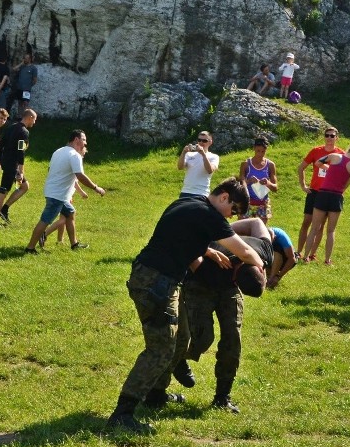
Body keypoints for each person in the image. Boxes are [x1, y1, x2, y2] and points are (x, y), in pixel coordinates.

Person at [106, 178, 264, 433]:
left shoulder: (187, 203)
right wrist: (261, 267)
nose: (231, 216)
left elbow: (178, 237)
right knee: (160, 348)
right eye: (232, 209)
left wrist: (209, 251)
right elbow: (245, 251)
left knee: (181, 340)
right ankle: (123, 414)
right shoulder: (209, 215)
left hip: (156, 279)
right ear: (223, 197)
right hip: (156, 283)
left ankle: (156, 396)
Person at [175, 218, 271, 414]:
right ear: (235, 275)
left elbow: (256, 222)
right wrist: (214, 236)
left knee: (232, 338)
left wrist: (228, 232)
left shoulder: (264, 251)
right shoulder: (209, 266)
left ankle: (222, 397)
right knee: (203, 338)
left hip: (229, 289)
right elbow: (189, 250)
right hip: (200, 284)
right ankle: (178, 360)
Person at [24, 129, 105, 253]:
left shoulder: (59, 151)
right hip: (58, 195)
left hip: (55, 192)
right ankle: (30, 248)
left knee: (70, 213)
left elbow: (50, 169)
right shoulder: (74, 155)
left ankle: (74, 244)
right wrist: (95, 187)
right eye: (84, 140)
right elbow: (80, 176)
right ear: (76, 139)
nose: (85, 143)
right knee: (45, 220)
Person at [303, 142, 350, 265]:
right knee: (331, 231)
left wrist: (329, 169)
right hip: (336, 196)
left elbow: (318, 163)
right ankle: (327, 260)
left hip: (323, 194)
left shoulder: (334, 156)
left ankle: (306, 256)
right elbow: (346, 185)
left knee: (314, 228)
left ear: (349, 149)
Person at [296, 127, 344, 261]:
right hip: (315, 191)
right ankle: (298, 251)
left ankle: (312, 254)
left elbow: (344, 174)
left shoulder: (340, 154)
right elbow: (301, 168)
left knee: (320, 225)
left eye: (332, 136)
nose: (329, 138)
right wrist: (303, 185)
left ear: (336, 138)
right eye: (327, 135)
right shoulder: (316, 151)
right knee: (307, 221)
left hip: (329, 193)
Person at [0, 109, 38, 227]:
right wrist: (21, 171)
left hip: (6, 163)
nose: (34, 123)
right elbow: (21, 152)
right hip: (12, 165)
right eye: (34, 119)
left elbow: (1, 146)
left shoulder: (11, 128)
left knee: (24, 186)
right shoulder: (24, 132)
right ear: (30, 117)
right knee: (3, 192)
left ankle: (4, 209)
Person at [238, 137, 278, 224]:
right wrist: (249, 181)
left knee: (261, 233)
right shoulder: (245, 164)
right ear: (254, 148)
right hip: (247, 203)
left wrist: (268, 183)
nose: (260, 154)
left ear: (266, 150)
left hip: (263, 204)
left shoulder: (270, 165)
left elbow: (275, 188)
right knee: (243, 231)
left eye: (263, 151)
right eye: (258, 151)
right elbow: (240, 185)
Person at [178, 131, 219, 197]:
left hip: (201, 193)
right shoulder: (189, 154)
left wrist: (203, 154)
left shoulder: (214, 156)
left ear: (210, 142)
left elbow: (210, 170)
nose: (201, 142)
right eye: (199, 140)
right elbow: (180, 167)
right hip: (185, 191)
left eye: (204, 141)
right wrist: (183, 153)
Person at [14, 52, 38, 116]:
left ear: (30, 59)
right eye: (24, 58)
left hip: (26, 89)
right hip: (19, 88)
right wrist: (21, 63)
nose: (25, 59)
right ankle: (19, 116)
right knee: (20, 103)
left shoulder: (33, 68)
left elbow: (35, 80)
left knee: (25, 103)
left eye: (26, 58)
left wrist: (29, 86)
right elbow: (14, 69)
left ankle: (25, 117)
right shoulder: (22, 67)